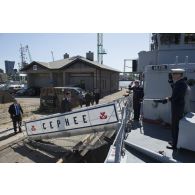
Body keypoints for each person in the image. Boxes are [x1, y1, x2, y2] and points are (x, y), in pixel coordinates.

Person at [164, 69, 188, 149]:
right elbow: (175, 90)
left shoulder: (181, 84)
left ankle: (175, 144)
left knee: (175, 125)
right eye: (173, 73)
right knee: (175, 124)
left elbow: (177, 97)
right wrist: (171, 81)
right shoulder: (179, 83)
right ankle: (174, 141)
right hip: (177, 107)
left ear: (180, 75)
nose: (173, 75)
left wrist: (168, 99)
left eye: (175, 73)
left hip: (177, 107)